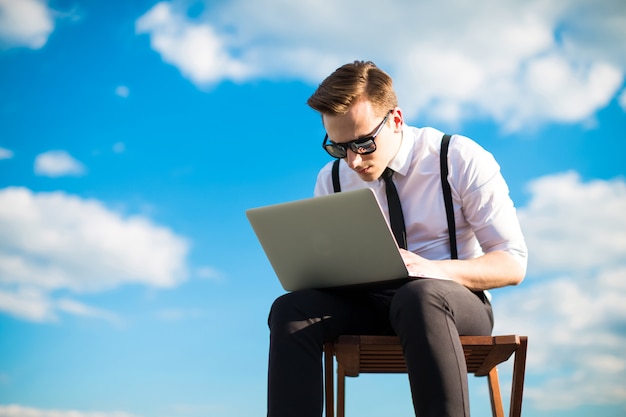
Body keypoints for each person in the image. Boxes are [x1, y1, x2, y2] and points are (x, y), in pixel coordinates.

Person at [267, 60, 527, 417]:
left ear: (396, 120)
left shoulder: (457, 157)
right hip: (372, 305)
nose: (354, 163)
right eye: (339, 148)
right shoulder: (332, 179)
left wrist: (434, 270)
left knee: (419, 295)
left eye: (363, 144)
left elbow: (512, 263)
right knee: (291, 309)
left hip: (454, 305)